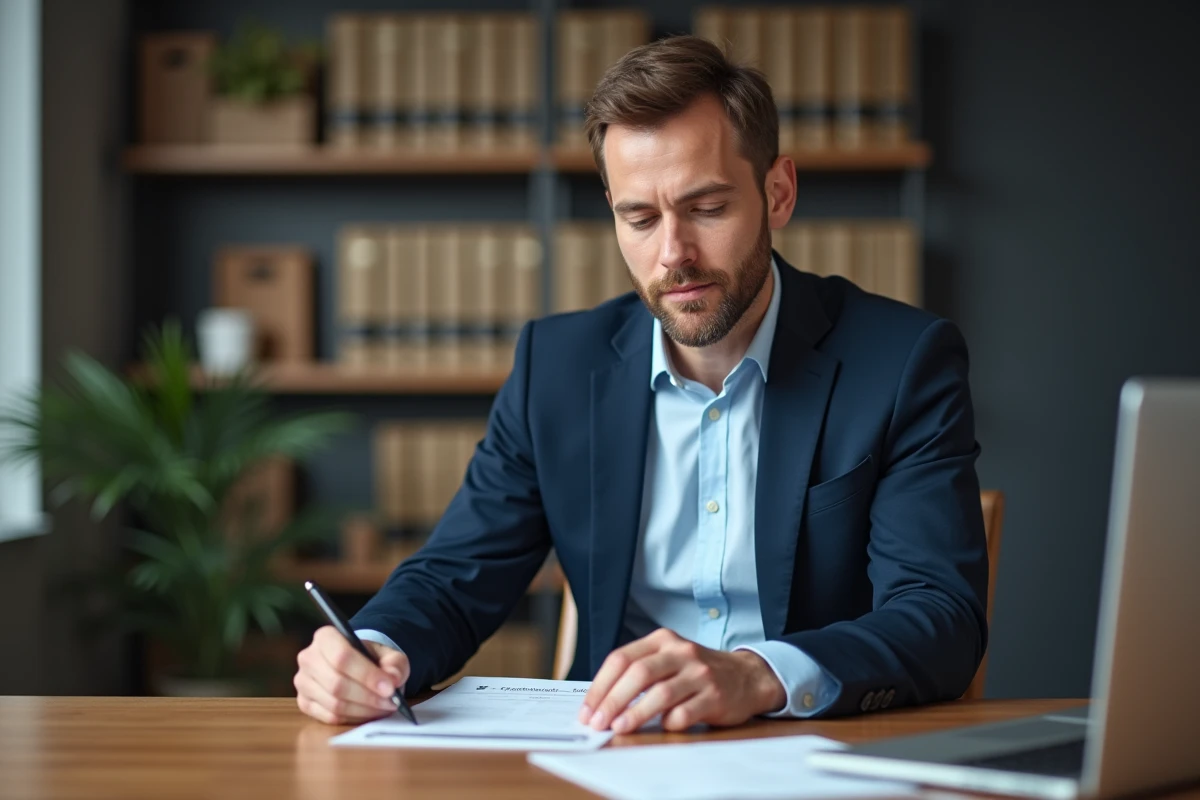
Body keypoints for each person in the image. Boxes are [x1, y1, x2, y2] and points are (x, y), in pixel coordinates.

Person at [293, 35, 988, 732]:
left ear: (777, 193)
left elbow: (941, 616)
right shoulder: (555, 368)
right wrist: (370, 650)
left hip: (810, 744)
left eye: (707, 208)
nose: (673, 255)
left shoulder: (900, 362)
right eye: (641, 218)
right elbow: (454, 578)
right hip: (609, 746)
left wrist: (756, 674)